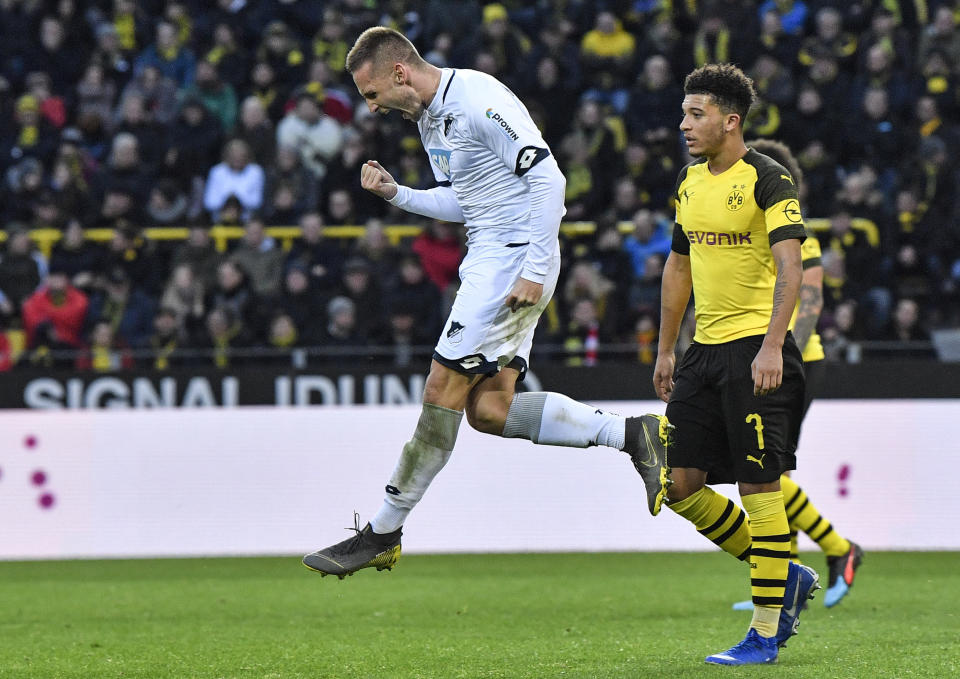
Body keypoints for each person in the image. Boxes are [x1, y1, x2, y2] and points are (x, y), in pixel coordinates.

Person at [302, 27, 669, 578]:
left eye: (373, 94)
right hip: (493, 258)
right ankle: (633, 433)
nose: (372, 109)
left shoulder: (477, 97)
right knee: (489, 412)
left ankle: (383, 529)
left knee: (440, 390)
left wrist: (535, 268)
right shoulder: (430, 118)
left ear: (399, 73)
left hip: (511, 263)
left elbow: (549, 177)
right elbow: (464, 200)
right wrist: (396, 194)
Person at [639, 64, 819, 665]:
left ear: (730, 121)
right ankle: (785, 575)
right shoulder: (690, 183)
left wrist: (774, 345)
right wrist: (666, 348)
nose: (684, 124)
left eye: (696, 114)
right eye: (685, 113)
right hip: (702, 352)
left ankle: (765, 633)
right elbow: (678, 267)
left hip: (753, 349)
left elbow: (791, 269)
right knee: (680, 485)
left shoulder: (770, 180)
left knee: (758, 486)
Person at [726, 139, 864, 612]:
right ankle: (791, 575)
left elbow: (811, 302)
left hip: (793, 361)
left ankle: (834, 550)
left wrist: (785, 358)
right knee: (767, 468)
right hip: (762, 358)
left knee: (762, 467)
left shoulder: (797, 232)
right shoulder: (751, 229)